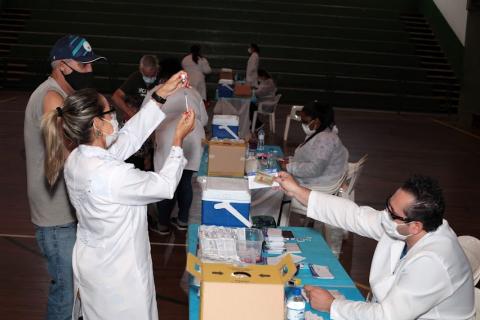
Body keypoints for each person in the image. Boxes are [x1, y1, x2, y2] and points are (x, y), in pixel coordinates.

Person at [41, 71, 195, 319]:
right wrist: (177, 140)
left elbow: (129, 137)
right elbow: (165, 186)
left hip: (94, 267)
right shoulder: (112, 175)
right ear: (97, 124)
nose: (114, 116)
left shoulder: (77, 160)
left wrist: (161, 94)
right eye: (108, 112)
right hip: (120, 278)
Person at [275, 173, 476, 320]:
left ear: (415, 226)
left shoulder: (433, 262)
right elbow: (355, 216)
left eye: (393, 214)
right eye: (388, 205)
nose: (385, 216)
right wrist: (298, 191)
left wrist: (332, 305)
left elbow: (387, 316)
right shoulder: (408, 226)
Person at [24, 34, 105, 320]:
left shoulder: (64, 96)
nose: (90, 71)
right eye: (83, 66)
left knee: (75, 290)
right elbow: (68, 152)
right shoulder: (51, 97)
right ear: (62, 65)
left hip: (65, 208)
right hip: (55, 214)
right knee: (66, 292)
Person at [147, 59, 208, 234]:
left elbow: (145, 120)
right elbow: (203, 120)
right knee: (185, 182)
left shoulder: (155, 92)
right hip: (193, 137)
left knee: (166, 182)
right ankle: (182, 221)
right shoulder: (193, 91)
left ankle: (163, 224)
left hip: (168, 139)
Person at [280, 100, 348, 188]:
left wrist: (289, 167)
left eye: (305, 121)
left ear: (316, 121)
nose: (302, 124)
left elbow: (314, 169)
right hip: (318, 178)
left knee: (275, 183)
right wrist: (291, 161)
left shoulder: (325, 139)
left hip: (318, 185)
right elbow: (311, 158)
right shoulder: (320, 134)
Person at [112, 54, 160, 121]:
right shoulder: (135, 77)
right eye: (146, 76)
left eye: (152, 75)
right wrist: (130, 113)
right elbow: (116, 96)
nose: (149, 79)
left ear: (157, 69)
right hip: (136, 115)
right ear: (141, 70)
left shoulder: (162, 80)